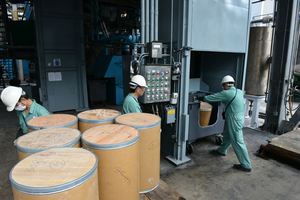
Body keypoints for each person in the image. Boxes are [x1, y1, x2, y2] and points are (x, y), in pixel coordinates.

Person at [204, 75, 252, 172]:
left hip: (234, 119)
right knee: (227, 134)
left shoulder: (226, 93)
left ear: (225, 85)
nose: (223, 87)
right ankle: (222, 150)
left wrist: (203, 97)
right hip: (238, 117)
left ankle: (246, 165)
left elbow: (209, 98)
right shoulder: (239, 91)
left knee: (238, 141)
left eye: (223, 85)